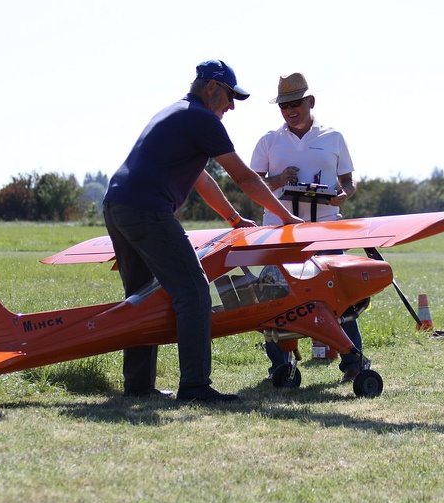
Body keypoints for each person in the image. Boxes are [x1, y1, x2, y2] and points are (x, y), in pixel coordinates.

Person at [102, 60, 304, 403]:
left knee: (141, 296)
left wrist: (234, 219)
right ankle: (195, 386)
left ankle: (138, 386)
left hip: (117, 205)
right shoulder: (201, 118)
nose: (230, 106)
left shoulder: (176, 113)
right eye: (229, 97)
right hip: (147, 208)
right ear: (211, 86)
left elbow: (201, 178)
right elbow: (244, 177)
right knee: (194, 291)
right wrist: (286, 218)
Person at [250, 72, 370, 383]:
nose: (289, 110)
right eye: (283, 105)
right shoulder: (268, 140)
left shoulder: (333, 137)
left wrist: (343, 195)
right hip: (279, 228)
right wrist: (280, 180)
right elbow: (252, 185)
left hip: (326, 228)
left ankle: (354, 363)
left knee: (340, 293)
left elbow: (349, 181)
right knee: (274, 295)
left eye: (295, 103)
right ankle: (280, 367)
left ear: (310, 102)